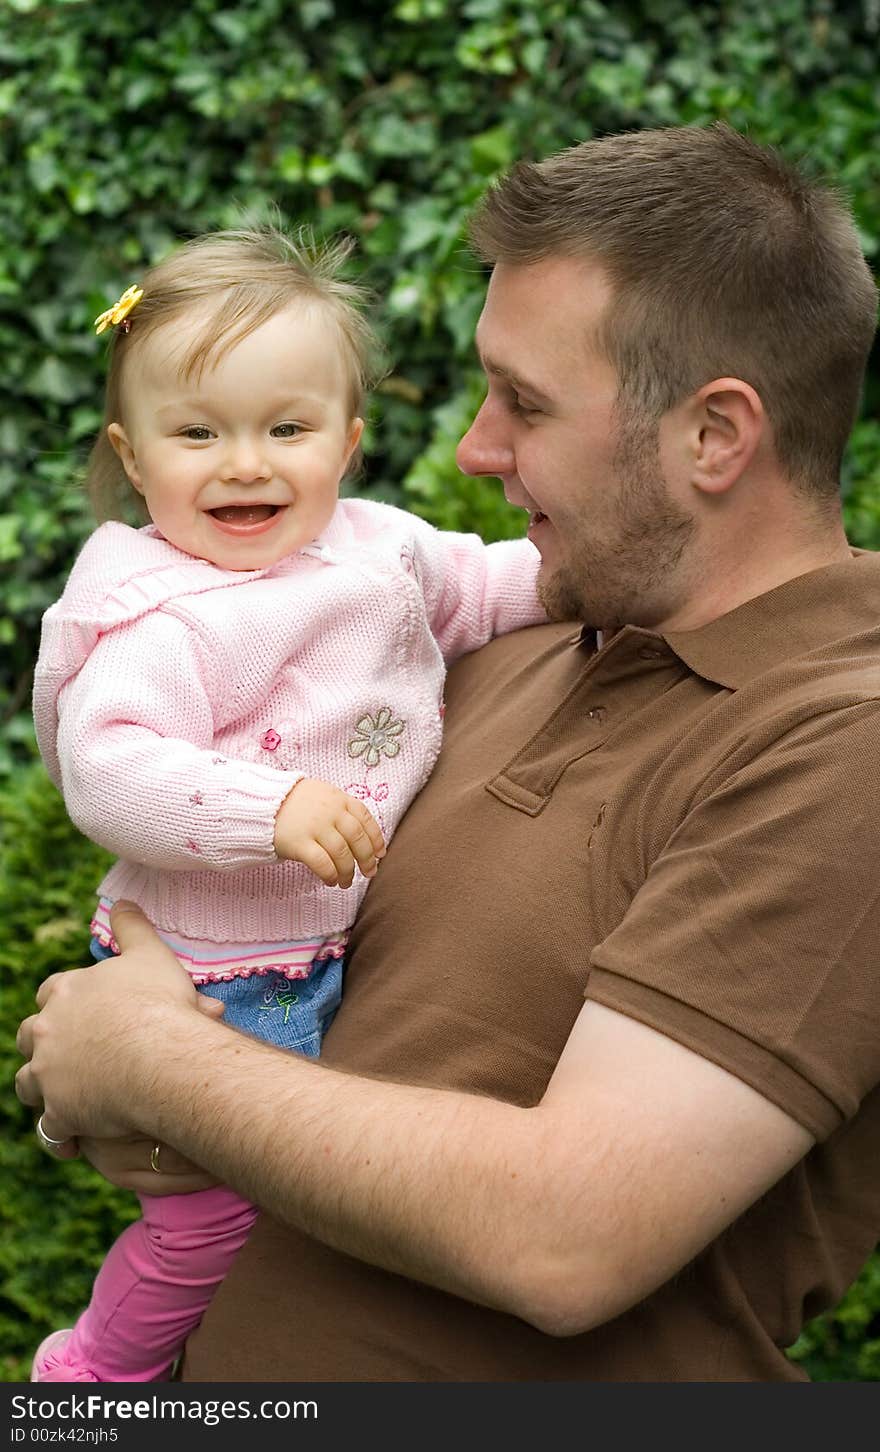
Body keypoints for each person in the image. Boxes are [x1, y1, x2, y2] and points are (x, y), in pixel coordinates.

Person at [17, 121, 880, 1383]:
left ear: (714, 436)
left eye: (523, 402)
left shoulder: (841, 742)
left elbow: (565, 1238)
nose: (473, 449)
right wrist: (136, 1081)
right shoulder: (485, 655)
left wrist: (146, 1059)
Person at [25, 224, 545, 1382]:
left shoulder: (384, 553)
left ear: (349, 441)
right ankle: (93, 1378)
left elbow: (503, 581)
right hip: (216, 970)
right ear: (134, 451)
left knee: (330, 1196)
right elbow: (109, 769)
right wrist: (267, 808)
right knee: (213, 1220)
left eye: (287, 429)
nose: (245, 463)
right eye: (198, 432)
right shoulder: (170, 615)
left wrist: (594, 581)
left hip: (327, 951)